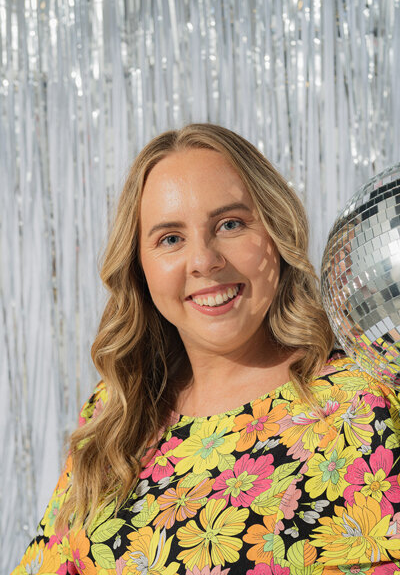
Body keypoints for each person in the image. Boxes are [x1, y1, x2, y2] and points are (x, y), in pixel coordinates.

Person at [12, 124, 400, 575]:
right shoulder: (115, 413)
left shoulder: (366, 399)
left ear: (276, 230)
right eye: (170, 239)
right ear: (140, 266)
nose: (204, 261)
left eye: (230, 224)